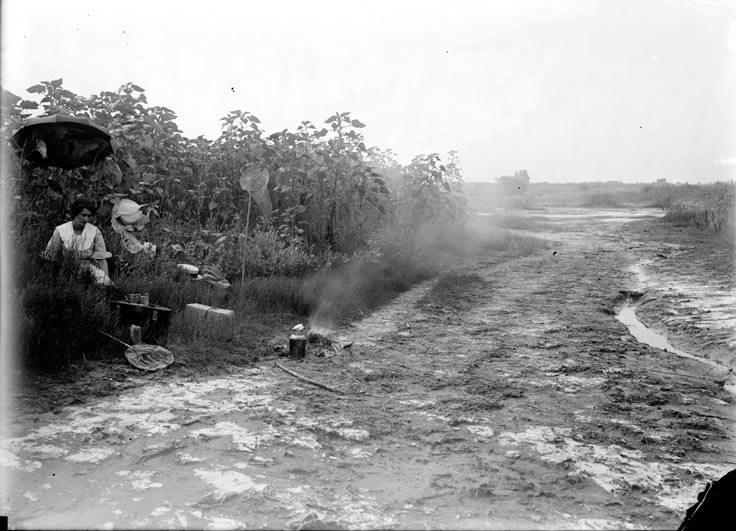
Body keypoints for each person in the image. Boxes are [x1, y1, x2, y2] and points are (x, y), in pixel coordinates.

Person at [43, 198, 112, 285]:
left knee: (101, 283)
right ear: (75, 214)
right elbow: (52, 257)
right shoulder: (61, 230)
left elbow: (102, 259)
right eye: (83, 215)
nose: (86, 219)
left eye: (89, 216)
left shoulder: (95, 231)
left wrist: (106, 281)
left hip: (89, 271)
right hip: (66, 269)